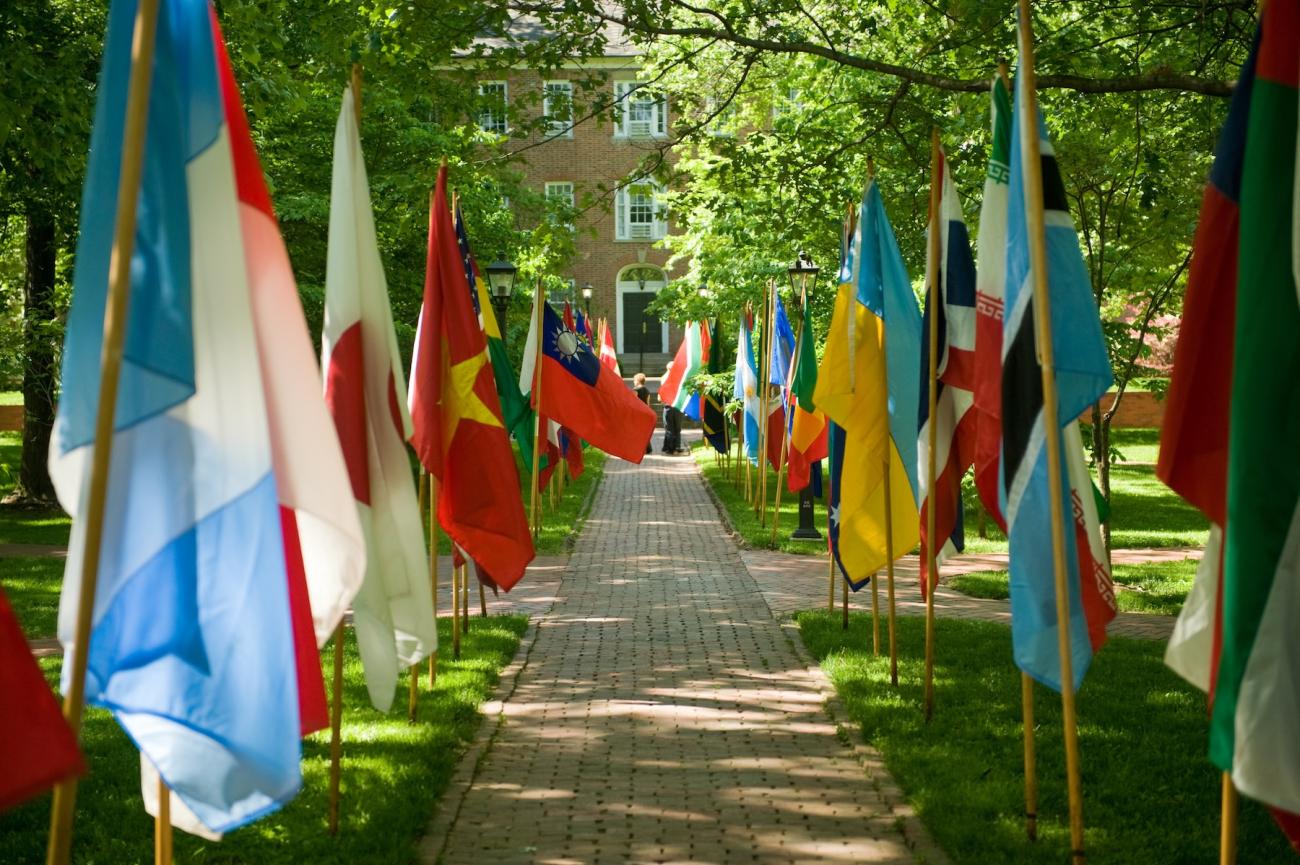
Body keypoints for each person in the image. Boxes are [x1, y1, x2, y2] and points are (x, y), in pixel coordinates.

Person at [660, 361, 683, 455]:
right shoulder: (679, 377)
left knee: (670, 428)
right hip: (677, 405)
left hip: (669, 405)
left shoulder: (664, 377)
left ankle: (670, 448)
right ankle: (676, 447)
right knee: (676, 428)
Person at [633, 373, 653, 455]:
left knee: (637, 431)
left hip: (638, 413)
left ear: (637, 381)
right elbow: (648, 404)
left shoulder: (635, 390)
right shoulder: (647, 390)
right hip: (645, 412)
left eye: (634, 380)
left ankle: (639, 449)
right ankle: (648, 449)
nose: (634, 382)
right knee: (645, 431)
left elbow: (633, 402)